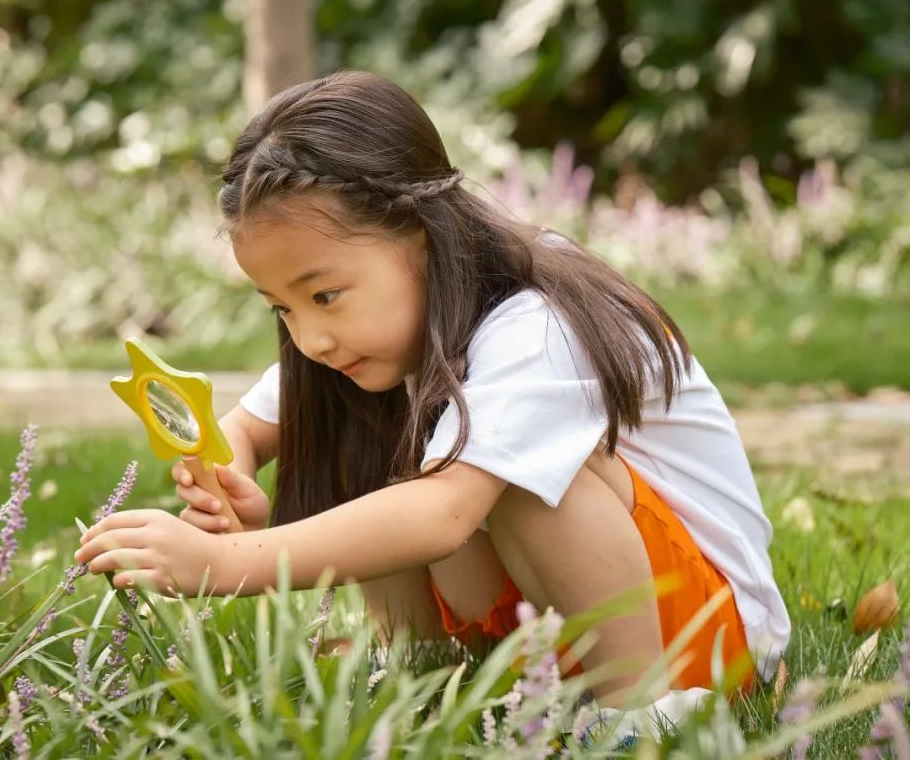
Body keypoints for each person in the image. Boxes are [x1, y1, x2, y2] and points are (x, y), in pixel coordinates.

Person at [75, 70, 790, 712]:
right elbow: (248, 427)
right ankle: (428, 676)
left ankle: (640, 714)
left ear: (419, 233)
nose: (309, 338)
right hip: (548, 632)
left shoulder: (538, 322)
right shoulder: (375, 337)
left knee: (506, 476)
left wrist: (225, 565)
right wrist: (224, 470)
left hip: (698, 641)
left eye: (323, 295)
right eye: (282, 308)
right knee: (361, 435)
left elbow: (446, 515)